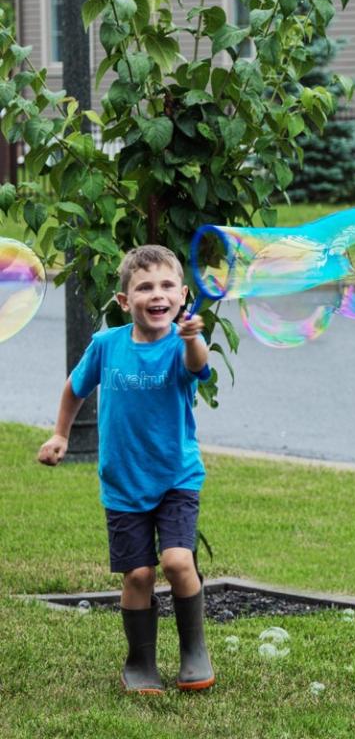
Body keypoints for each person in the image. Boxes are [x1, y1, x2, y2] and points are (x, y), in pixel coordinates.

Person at [38, 245, 214, 695]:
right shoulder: (106, 345)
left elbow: (199, 366)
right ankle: (140, 661)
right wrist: (61, 434)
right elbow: (74, 388)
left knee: (177, 560)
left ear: (182, 295)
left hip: (176, 476)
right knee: (137, 575)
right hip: (123, 482)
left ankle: (194, 650)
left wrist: (194, 337)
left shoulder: (183, 344)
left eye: (166, 286)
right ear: (123, 302)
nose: (157, 294)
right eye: (144, 287)